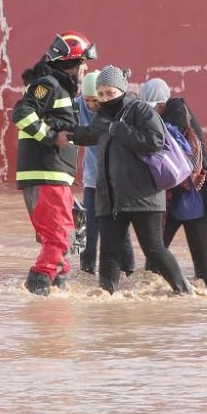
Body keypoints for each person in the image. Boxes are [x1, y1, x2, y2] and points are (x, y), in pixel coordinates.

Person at [70, 65, 192, 294]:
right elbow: (87, 135)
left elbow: (155, 141)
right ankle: (107, 299)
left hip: (142, 197)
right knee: (108, 253)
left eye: (111, 93)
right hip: (111, 199)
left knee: (154, 250)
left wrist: (121, 130)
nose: (106, 98)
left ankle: (185, 292)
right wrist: (62, 133)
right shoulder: (103, 116)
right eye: (102, 94)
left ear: (122, 91)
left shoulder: (140, 111)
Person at [11, 31, 96, 296]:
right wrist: (50, 137)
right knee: (59, 240)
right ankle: (37, 292)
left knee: (60, 240)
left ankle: (57, 302)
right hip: (47, 174)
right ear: (73, 62)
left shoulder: (60, 87)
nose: (86, 69)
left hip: (55, 175)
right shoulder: (48, 84)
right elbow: (22, 113)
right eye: (84, 63)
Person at [138, 78, 207, 288]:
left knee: (194, 247)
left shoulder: (177, 112)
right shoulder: (169, 114)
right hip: (176, 195)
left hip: (194, 194)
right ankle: (153, 288)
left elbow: (165, 140)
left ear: (160, 104)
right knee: (157, 248)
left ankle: (203, 290)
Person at [76, 69, 136, 276]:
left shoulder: (113, 110)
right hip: (92, 181)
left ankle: (129, 270)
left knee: (120, 230)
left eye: (96, 100)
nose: (92, 105)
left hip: (115, 181)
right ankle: (86, 271)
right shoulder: (77, 107)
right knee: (89, 228)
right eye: (88, 100)